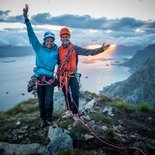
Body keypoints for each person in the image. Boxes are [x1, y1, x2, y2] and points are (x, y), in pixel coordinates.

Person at [57, 27, 110, 121]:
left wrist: (101, 49)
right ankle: (70, 111)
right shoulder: (59, 50)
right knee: (66, 95)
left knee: (75, 94)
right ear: (61, 38)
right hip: (63, 76)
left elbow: (88, 52)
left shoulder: (74, 48)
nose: (65, 38)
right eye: (63, 37)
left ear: (69, 37)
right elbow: (57, 62)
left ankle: (75, 113)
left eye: (66, 36)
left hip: (72, 75)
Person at [23, 4, 58, 128]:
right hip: (39, 79)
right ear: (44, 41)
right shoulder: (38, 48)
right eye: (47, 40)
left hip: (49, 80)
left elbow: (62, 62)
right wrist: (27, 20)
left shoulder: (56, 51)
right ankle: (43, 119)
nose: (49, 42)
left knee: (49, 101)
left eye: (51, 40)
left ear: (53, 41)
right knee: (41, 102)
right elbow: (31, 35)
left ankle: (49, 119)